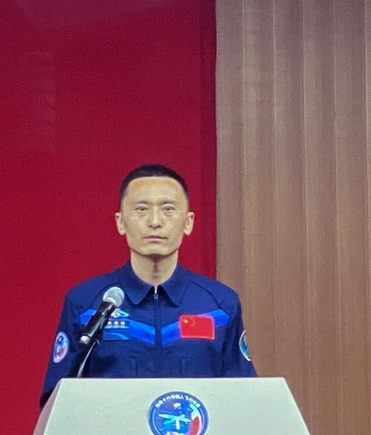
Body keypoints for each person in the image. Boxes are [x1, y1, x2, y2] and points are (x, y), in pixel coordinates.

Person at [40, 164, 254, 407]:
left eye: (168, 209)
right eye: (141, 209)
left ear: (188, 222)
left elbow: (242, 397)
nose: (155, 221)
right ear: (121, 222)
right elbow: (56, 404)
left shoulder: (219, 305)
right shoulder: (87, 303)